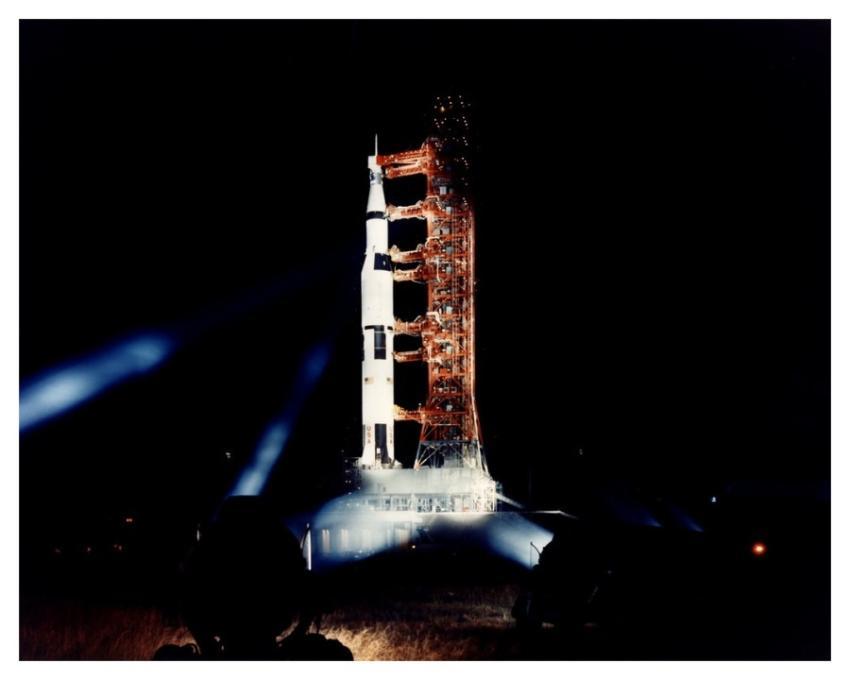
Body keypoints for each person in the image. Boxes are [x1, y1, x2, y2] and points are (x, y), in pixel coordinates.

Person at [154, 496, 352, 660]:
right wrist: (298, 634)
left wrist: (208, 647)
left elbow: (188, 595)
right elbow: (310, 593)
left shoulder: (213, 541)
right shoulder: (279, 540)